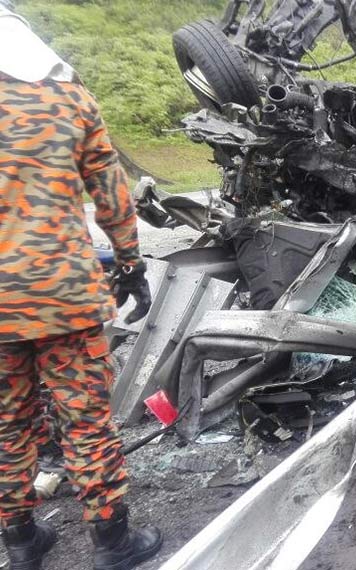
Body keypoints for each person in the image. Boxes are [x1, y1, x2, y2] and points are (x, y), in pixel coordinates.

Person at [0, 8, 160, 570]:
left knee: (7, 421)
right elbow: (112, 195)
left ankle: (21, 543)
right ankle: (112, 543)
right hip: (63, 293)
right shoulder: (66, 97)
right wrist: (132, 266)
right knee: (85, 417)